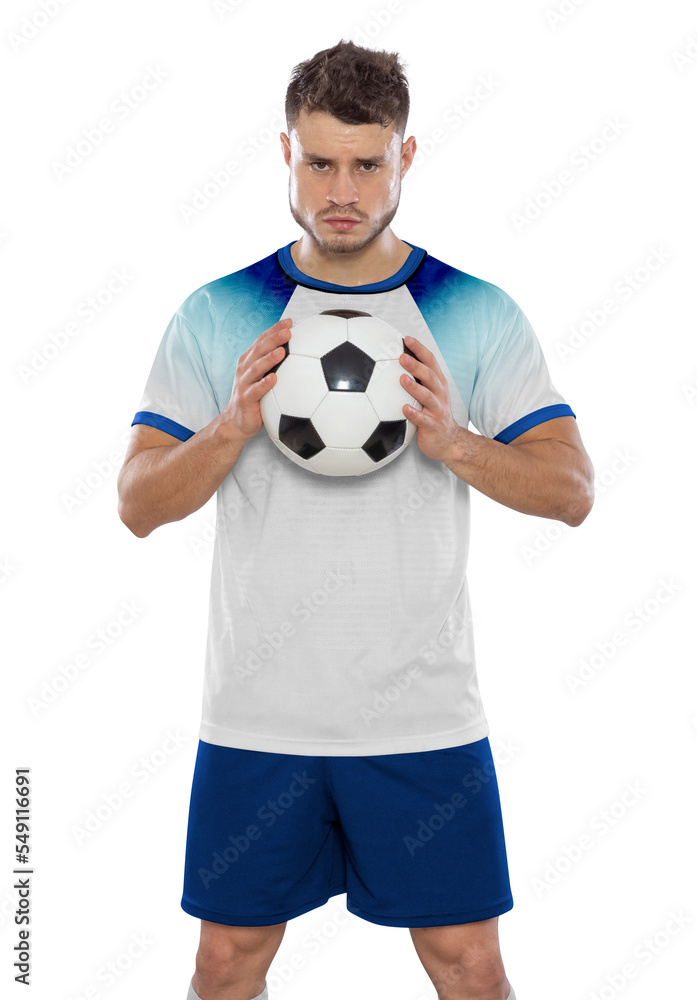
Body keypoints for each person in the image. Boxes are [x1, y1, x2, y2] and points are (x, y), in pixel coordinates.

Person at [117, 38, 594, 1000]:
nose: (343, 188)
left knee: (468, 966)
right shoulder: (218, 314)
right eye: (319, 161)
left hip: (422, 717)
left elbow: (572, 490)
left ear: (404, 159)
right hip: (259, 717)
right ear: (285, 154)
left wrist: (454, 442)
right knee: (223, 965)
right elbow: (136, 504)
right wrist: (229, 428)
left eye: (367, 164)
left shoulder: (470, 310)